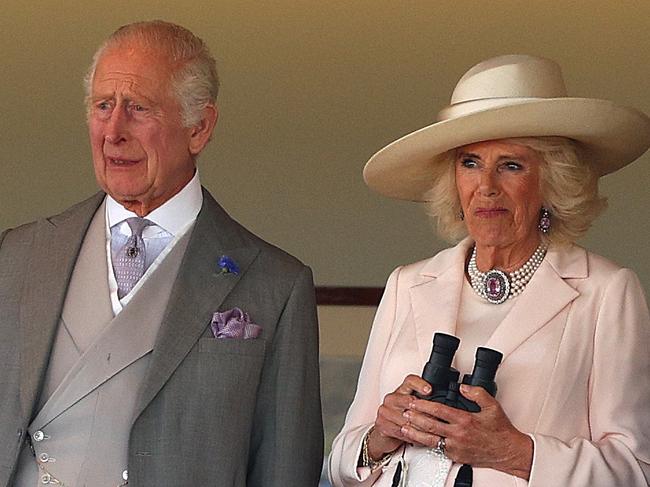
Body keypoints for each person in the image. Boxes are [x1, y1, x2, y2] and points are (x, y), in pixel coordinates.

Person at [0, 20, 323, 486]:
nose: (113, 130)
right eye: (103, 106)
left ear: (200, 128)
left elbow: (285, 470)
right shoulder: (17, 256)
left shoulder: (275, 285)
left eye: (138, 108)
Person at [328, 54, 650, 486]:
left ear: (552, 181)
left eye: (511, 165)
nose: (487, 187)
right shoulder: (407, 284)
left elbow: (636, 470)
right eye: (470, 163)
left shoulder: (606, 292)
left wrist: (515, 453)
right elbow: (341, 459)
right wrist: (379, 437)